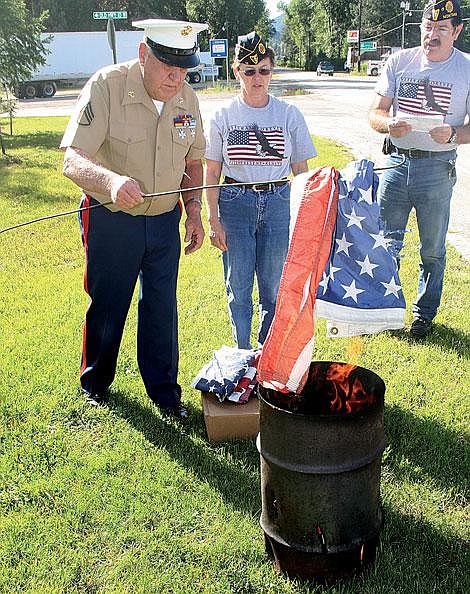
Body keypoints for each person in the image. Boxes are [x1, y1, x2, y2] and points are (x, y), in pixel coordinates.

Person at [60, 18, 208, 419]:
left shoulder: (187, 99)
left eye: (184, 68)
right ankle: (96, 383)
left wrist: (193, 210)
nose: (177, 77)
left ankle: (164, 391)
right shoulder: (107, 86)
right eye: (167, 66)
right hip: (111, 217)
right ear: (144, 55)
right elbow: (72, 160)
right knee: (109, 303)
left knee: (162, 307)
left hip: (163, 221)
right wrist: (110, 182)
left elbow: (193, 161)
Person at [204, 31, 316, 350]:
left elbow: (301, 171)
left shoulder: (288, 114)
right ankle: (242, 355)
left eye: (264, 70)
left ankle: (266, 355)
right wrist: (214, 220)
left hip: (279, 202)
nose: (257, 78)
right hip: (235, 204)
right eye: (249, 71)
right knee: (238, 288)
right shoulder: (223, 115)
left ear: (271, 71)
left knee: (273, 288)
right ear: (237, 71)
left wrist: (304, 218)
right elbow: (212, 171)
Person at [369, 0, 470, 338]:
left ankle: (423, 315)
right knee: (386, 243)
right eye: (428, 26)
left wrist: (455, 133)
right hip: (396, 163)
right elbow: (375, 113)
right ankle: (385, 308)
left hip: (437, 169)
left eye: (442, 28)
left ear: (456, 31)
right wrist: (388, 124)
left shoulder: (466, 69)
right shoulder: (400, 61)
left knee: (432, 249)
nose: (433, 34)